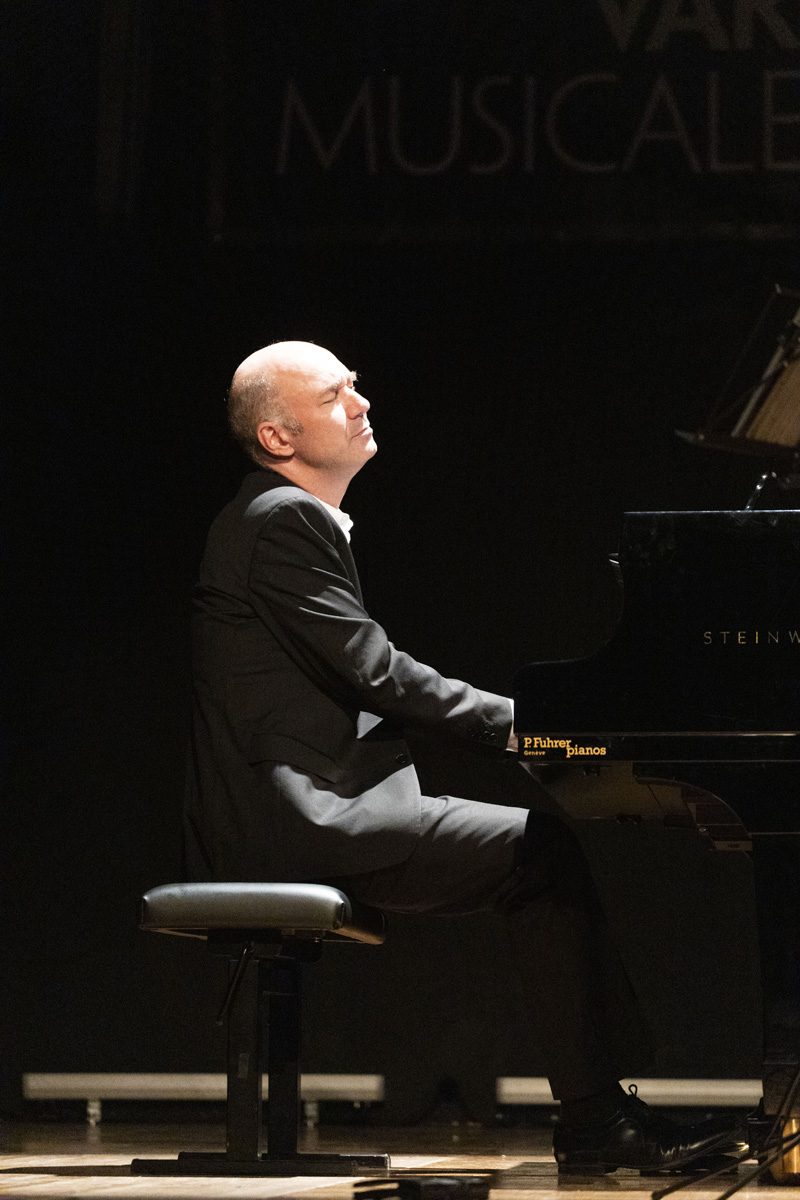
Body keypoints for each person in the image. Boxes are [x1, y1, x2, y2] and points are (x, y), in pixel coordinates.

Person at [185, 340, 745, 1174]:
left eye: (355, 386)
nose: (361, 403)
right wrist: (530, 726)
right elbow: (378, 672)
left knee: (541, 853)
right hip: (298, 820)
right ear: (277, 437)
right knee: (539, 855)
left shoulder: (275, 518)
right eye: (334, 395)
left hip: (295, 809)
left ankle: (599, 1111)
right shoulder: (282, 521)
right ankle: (597, 1119)